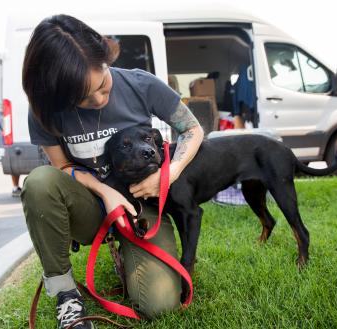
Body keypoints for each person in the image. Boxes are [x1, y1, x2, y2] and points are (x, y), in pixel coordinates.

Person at [21, 14, 204, 329]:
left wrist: (169, 173)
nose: (99, 99)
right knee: (39, 182)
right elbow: (62, 167)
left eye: (103, 84)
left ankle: (131, 253)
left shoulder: (140, 83)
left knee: (160, 305)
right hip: (92, 207)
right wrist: (106, 193)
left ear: (106, 59)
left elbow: (192, 129)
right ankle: (65, 293)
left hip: (141, 207)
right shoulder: (44, 110)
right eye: (83, 97)